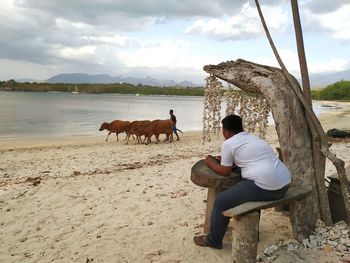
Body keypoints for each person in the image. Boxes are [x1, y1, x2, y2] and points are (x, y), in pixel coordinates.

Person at [193, 114, 291, 249]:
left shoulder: (228, 143)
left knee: (221, 201)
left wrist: (209, 162)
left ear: (226, 131)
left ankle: (213, 240)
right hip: (284, 183)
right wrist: (227, 159)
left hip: (268, 188)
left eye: (222, 130)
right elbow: (247, 159)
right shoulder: (253, 138)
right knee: (238, 180)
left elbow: (224, 171)